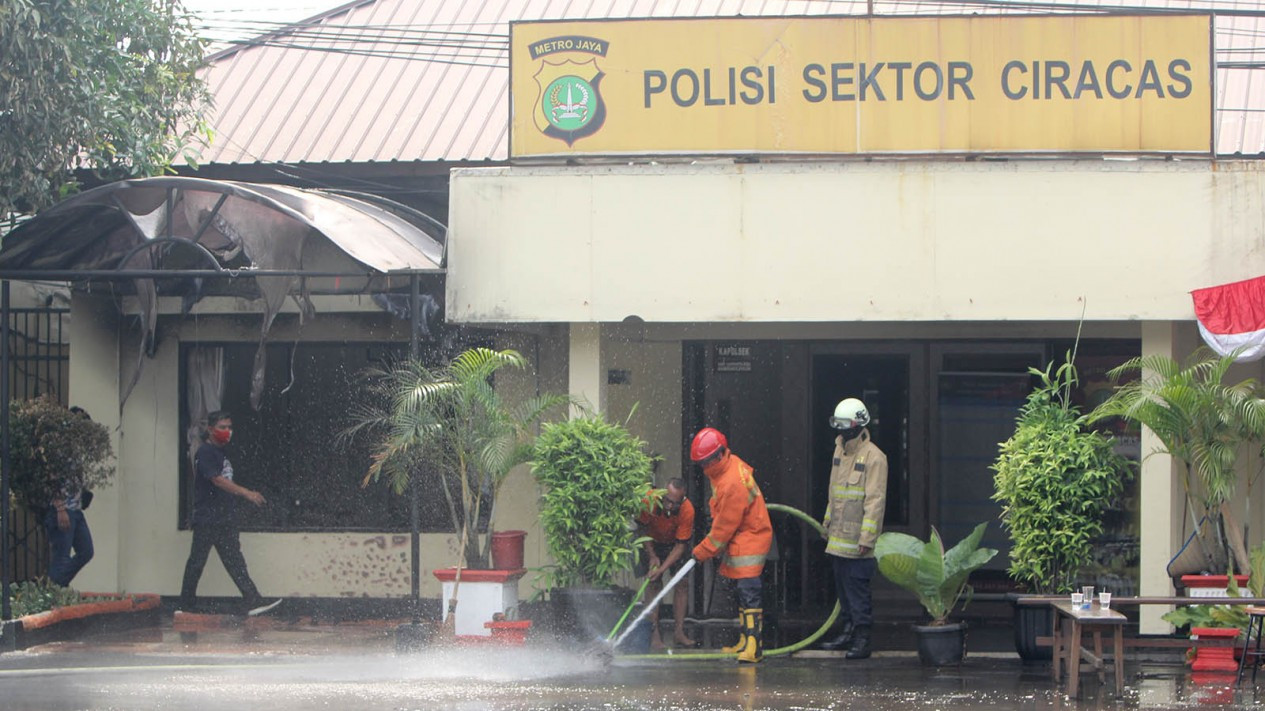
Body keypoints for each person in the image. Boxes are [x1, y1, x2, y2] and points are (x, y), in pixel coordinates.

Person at [178, 410, 282, 616]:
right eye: (222, 427)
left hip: (224, 518)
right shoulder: (206, 452)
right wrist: (247, 493)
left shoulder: (222, 453)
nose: (227, 432)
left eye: (229, 427)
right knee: (197, 561)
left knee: (234, 561)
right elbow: (217, 479)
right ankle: (186, 605)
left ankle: (253, 600)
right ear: (210, 429)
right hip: (208, 518)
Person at [688, 427, 773, 663]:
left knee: (750, 594)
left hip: (749, 541)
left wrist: (702, 551)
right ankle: (746, 641)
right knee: (742, 595)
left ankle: (754, 648)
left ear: (718, 455)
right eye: (701, 463)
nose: (704, 468)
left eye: (706, 462)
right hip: (741, 538)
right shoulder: (726, 468)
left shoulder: (732, 482)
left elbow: (724, 527)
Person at [819, 397, 888, 660]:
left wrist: (867, 538)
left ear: (858, 424)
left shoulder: (874, 458)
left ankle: (862, 638)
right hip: (838, 538)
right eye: (838, 424)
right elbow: (834, 494)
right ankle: (847, 631)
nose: (841, 430)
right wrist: (826, 523)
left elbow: (875, 501)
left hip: (859, 544)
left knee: (857, 591)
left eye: (845, 425)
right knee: (843, 591)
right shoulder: (839, 452)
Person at [635, 477, 697, 649]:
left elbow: (680, 547)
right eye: (667, 501)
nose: (669, 506)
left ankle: (679, 632)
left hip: (674, 544)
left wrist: (662, 568)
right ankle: (654, 633)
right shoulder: (651, 499)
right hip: (651, 541)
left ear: (683, 498)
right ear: (663, 493)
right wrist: (653, 556)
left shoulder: (687, 510)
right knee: (653, 583)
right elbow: (643, 530)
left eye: (674, 503)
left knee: (682, 583)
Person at [44, 407, 94, 587]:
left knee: (86, 551)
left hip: (76, 510)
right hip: (63, 509)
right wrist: (60, 508)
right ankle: (53, 590)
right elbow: (52, 478)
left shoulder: (75, 448)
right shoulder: (60, 447)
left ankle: (57, 584)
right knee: (61, 557)